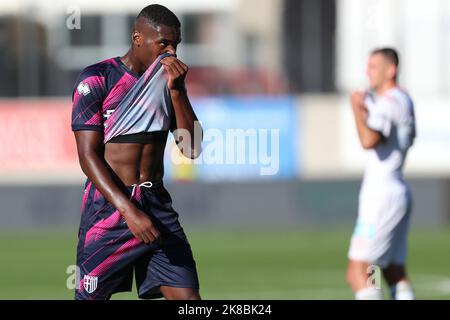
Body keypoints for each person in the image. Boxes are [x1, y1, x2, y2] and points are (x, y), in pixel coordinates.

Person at [71, 4, 202, 300]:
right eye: (164, 43)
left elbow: (191, 148)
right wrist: (129, 211)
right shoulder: (96, 80)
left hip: (156, 207)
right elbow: (88, 156)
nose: (172, 52)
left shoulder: (169, 84)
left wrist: (178, 91)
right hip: (110, 212)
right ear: (138, 38)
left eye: (176, 44)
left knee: (190, 302)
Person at [346, 48, 416, 300]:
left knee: (359, 270)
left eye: (374, 66)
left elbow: (369, 139)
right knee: (389, 269)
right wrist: (367, 112)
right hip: (396, 190)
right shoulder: (403, 100)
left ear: (391, 70)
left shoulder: (389, 102)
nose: (368, 72)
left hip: (382, 197)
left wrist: (355, 108)